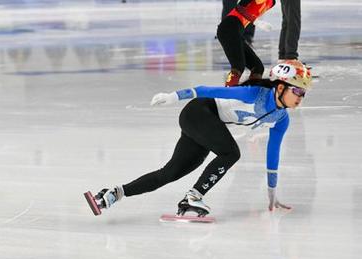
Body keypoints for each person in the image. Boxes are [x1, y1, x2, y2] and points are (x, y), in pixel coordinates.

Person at [85, 61, 312, 218]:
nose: (301, 98)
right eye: (298, 91)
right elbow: (206, 89)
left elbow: (273, 157)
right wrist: (173, 96)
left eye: (304, 93)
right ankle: (194, 196)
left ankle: (112, 194)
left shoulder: (281, 120)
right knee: (231, 152)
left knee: (170, 173)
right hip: (199, 112)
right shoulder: (254, 93)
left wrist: (272, 194)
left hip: (208, 125)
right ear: (281, 87)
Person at [217, 0, 276, 86]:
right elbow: (239, 8)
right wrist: (256, 21)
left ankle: (250, 93)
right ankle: (227, 94)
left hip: (238, 31)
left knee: (258, 68)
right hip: (228, 27)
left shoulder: (272, 2)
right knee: (238, 66)